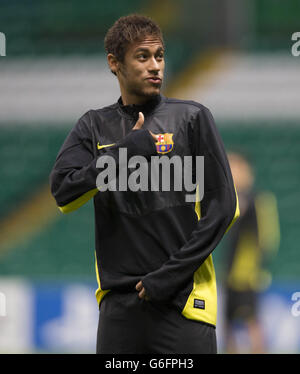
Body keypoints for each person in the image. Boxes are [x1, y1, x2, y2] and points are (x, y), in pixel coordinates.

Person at [49, 14, 239, 354]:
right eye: (143, 56)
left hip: (183, 301)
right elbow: (64, 191)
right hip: (119, 308)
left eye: (160, 56)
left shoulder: (192, 118)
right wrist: (124, 154)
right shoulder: (94, 126)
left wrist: (168, 277)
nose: (155, 66)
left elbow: (222, 210)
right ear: (114, 63)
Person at [223, 151, 280, 353]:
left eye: (235, 167)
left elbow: (265, 239)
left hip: (246, 275)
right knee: (228, 324)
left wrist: (252, 269)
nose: (232, 172)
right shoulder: (235, 199)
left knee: (251, 322)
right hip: (231, 273)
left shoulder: (255, 200)